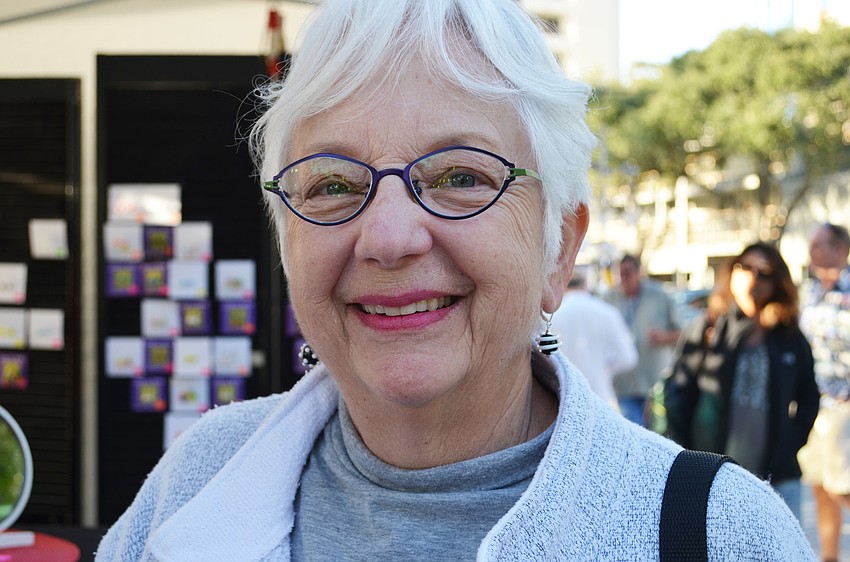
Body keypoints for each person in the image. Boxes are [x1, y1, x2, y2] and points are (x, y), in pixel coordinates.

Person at [95, 0, 815, 559]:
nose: (388, 239)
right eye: (333, 185)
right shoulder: (197, 481)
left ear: (559, 249)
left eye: (460, 176)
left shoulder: (717, 535)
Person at [664, 242, 819, 520]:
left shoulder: (790, 337)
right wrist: (689, 458)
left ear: (777, 282)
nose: (753, 277)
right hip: (713, 476)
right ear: (732, 272)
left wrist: (790, 444)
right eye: (745, 267)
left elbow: (809, 396)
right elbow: (678, 395)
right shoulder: (708, 328)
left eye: (764, 272)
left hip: (777, 478)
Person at [797, 223, 850, 562]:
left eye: (818, 245)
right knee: (819, 485)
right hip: (813, 404)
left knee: (842, 486)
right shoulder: (812, 290)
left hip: (843, 405)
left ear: (839, 250)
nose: (811, 251)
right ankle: (829, 557)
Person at [604, 254, 681, 426]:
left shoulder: (660, 296)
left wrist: (664, 336)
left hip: (655, 385)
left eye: (628, 273)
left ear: (639, 272)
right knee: (632, 431)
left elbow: (682, 333)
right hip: (623, 386)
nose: (623, 278)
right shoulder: (609, 299)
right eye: (620, 273)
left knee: (657, 432)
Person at [550, 274, 637, 410]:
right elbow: (628, 358)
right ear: (585, 285)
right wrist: (605, 366)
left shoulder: (553, 315)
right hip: (600, 397)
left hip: (563, 399)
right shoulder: (607, 312)